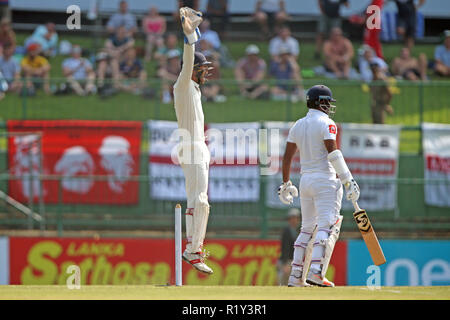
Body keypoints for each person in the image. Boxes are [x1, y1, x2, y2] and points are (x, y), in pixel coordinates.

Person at [278, 84, 360, 287]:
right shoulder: (327, 123)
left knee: (306, 229)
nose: (329, 106)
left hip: (305, 181)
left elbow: (287, 157)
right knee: (327, 226)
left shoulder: (298, 124)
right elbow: (333, 153)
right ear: (321, 102)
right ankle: (316, 272)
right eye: (327, 102)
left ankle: (296, 276)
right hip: (326, 180)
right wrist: (348, 180)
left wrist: (286, 183)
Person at [175, 7, 213, 275]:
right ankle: (193, 251)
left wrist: (196, 32)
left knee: (199, 202)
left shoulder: (194, 89)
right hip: (192, 148)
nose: (205, 73)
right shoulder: (183, 86)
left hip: (198, 147)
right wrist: (191, 38)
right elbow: (187, 63)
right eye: (202, 69)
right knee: (199, 201)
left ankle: (193, 248)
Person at [277, 208, 300, 286]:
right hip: (287, 261)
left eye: (295, 218)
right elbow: (285, 248)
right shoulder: (286, 231)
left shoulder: (299, 230)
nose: (293, 220)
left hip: (295, 261)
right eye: (292, 218)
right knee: (283, 282)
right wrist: (285, 263)